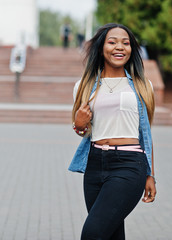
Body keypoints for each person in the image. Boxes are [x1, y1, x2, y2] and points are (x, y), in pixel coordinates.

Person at [69, 23, 157, 240]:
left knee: (93, 233)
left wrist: (150, 174)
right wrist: (78, 125)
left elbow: (145, 134)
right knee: (111, 234)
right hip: (95, 163)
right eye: (112, 42)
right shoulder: (84, 86)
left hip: (128, 164)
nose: (120, 47)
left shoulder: (142, 86)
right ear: (101, 48)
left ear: (131, 50)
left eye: (125, 43)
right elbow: (84, 131)